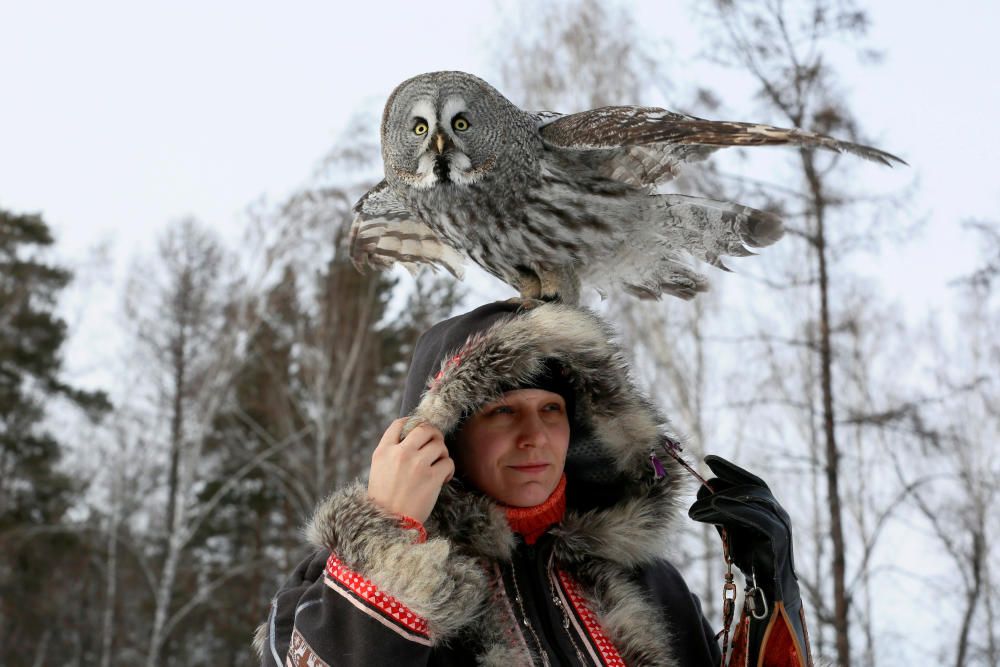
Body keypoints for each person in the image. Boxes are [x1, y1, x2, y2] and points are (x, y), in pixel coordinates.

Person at [256, 301, 810, 666]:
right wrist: (387, 542)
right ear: (443, 435)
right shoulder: (334, 588)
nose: (535, 436)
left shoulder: (650, 586)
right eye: (501, 411)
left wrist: (766, 590)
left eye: (552, 408)